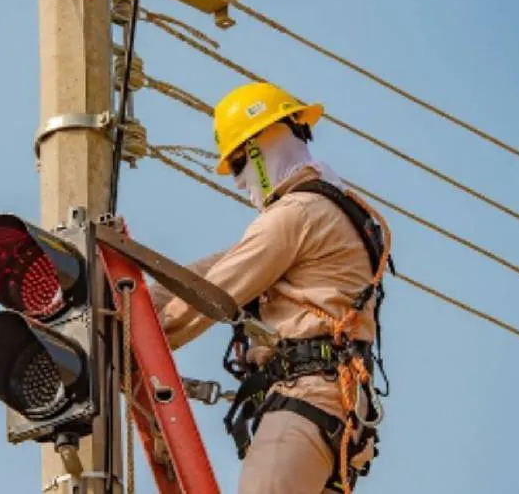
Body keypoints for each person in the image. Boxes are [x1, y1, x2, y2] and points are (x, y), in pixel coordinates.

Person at [148, 82, 393, 494]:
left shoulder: (296, 214)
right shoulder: (322, 209)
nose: (240, 184)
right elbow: (216, 268)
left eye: (239, 166)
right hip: (333, 413)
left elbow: (214, 292)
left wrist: (139, 336)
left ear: (260, 149)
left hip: (307, 402)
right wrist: (136, 287)